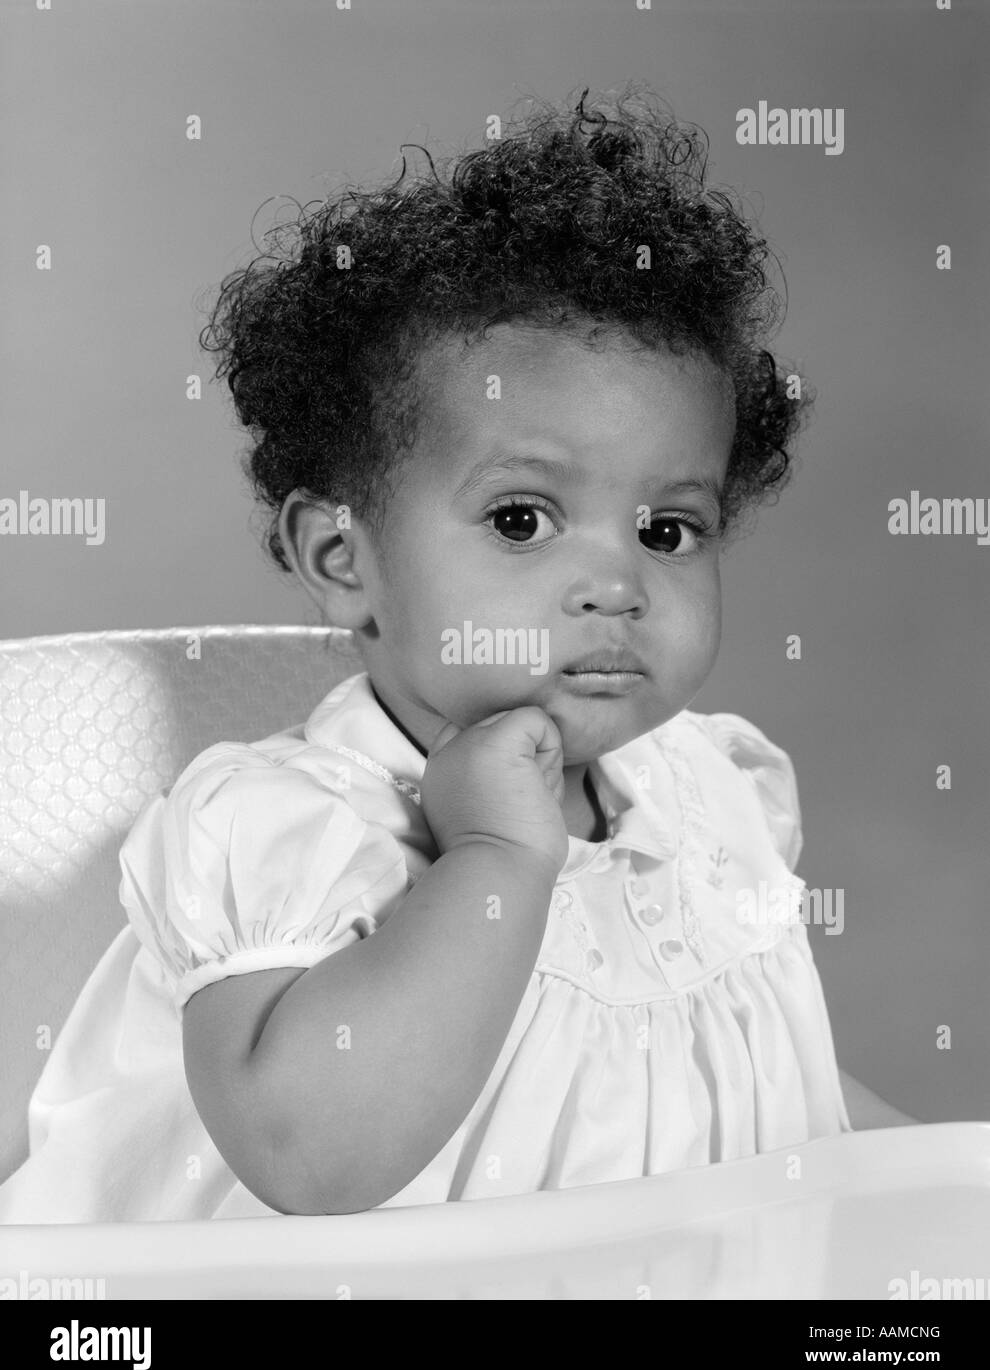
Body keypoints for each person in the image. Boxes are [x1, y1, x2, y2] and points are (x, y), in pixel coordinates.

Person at [0, 85, 915, 1224]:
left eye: (667, 529)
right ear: (342, 556)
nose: (617, 583)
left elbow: (763, 1075)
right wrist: (495, 858)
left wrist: (924, 1182)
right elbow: (307, 1157)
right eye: (523, 518)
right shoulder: (287, 835)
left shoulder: (714, 800)